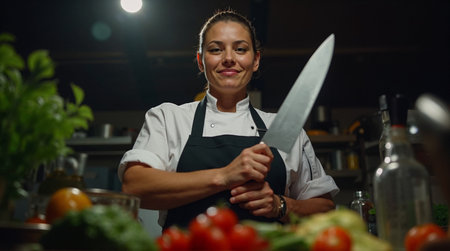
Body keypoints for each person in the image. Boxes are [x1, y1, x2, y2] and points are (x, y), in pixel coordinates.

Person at [118, 9, 339, 229]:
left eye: (240, 49)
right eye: (215, 49)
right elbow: (135, 187)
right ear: (200, 61)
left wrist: (280, 206)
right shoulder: (168, 118)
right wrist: (225, 176)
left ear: (256, 60)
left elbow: (325, 208)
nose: (229, 59)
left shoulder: (286, 130)